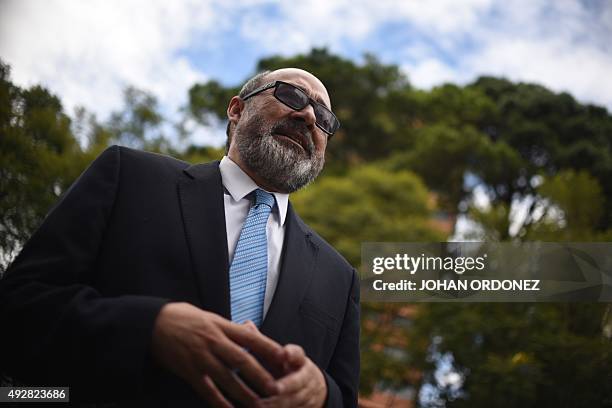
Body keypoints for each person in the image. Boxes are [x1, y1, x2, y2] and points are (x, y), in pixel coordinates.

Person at [0, 68, 360, 407]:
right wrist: (148, 327)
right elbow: (18, 306)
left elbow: (344, 396)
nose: (310, 117)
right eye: (292, 95)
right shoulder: (130, 177)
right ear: (236, 109)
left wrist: (321, 393)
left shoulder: (340, 278)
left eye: (324, 118)